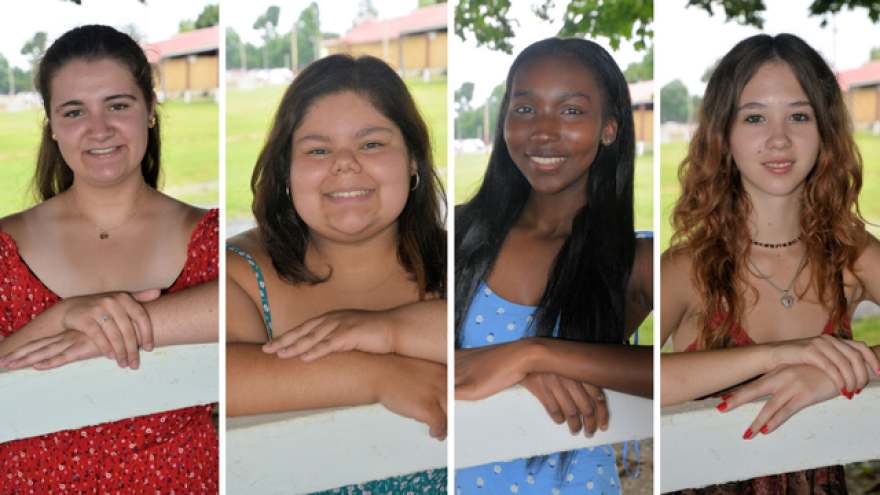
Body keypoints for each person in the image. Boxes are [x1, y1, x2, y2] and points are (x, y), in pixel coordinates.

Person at [0, 25, 219, 492]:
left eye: (118, 105)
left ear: (150, 112)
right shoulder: (4, 249)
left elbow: (266, 302)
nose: (100, 130)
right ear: (52, 128)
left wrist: (122, 325)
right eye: (75, 111)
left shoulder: (210, 241)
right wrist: (61, 318)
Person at [661, 33, 880, 494]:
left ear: (824, 131)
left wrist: (844, 368)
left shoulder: (850, 256)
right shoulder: (687, 270)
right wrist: (775, 356)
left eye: (799, 116)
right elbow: (625, 379)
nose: (778, 139)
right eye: (755, 117)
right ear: (724, 134)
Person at [226, 53, 447, 493]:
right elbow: (219, 373)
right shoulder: (240, 273)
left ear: (414, 161)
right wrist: (380, 375)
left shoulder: (461, 261)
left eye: (371, 144)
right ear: (287, 170)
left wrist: (386, 331)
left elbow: (500, 335)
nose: (344, 164)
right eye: (318, 150)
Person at [452, 37, 653, 494]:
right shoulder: (460, 236)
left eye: (571, 111)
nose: (543, 132)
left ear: (609, 128)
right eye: (524, 109)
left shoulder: (632, 261)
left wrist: (533, 353)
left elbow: (675, 372)